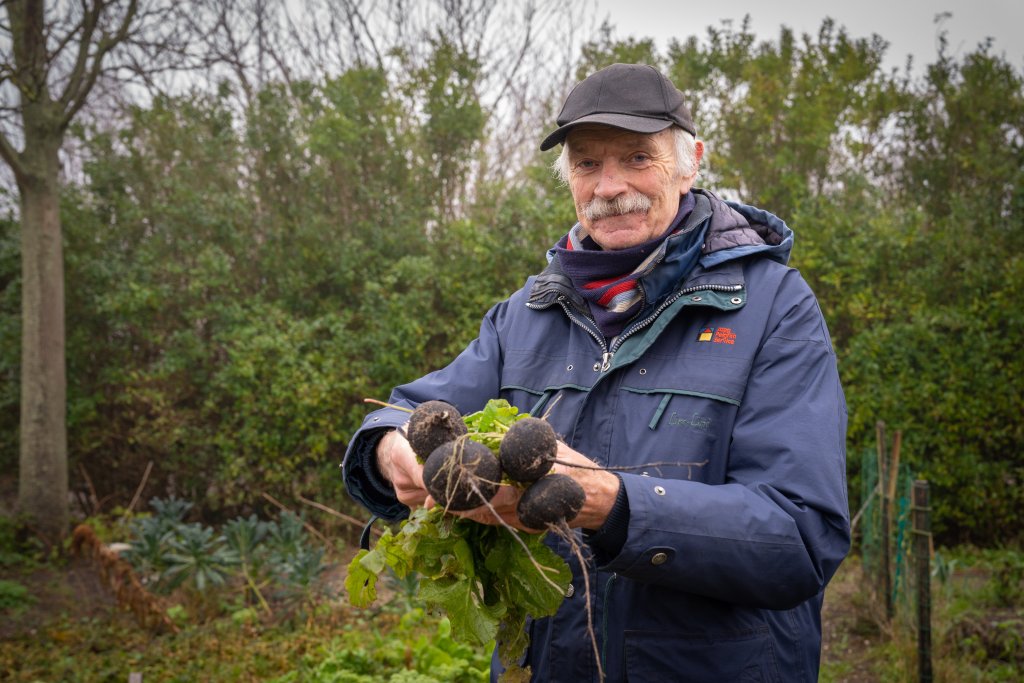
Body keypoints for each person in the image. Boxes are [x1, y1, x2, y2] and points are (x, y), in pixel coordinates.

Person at [343, 62, 850, 682]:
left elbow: (800, 539)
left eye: (637, 157)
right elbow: (408, 410)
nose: (609, 186)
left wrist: (613, 504)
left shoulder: (775, 307)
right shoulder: (527, 313)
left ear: (691, 161)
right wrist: (390, 453)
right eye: (587, 164)